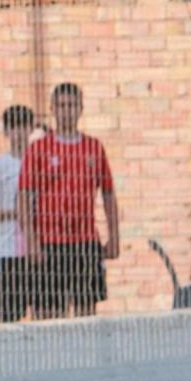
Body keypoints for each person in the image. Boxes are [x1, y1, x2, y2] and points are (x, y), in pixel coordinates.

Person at [19, 83, 120, 318]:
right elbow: (24, 197)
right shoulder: (38, 149)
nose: (67, 110)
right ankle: (52, 356)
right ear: (52, 109)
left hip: (84, 242)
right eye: (62, 105)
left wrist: (113, 237)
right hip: (49, 243)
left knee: (86, 310)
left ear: (81, 109)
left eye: (72, 105)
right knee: (49, 314)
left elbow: (107, 193)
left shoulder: (94, 148)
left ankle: (86, 355)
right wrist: (31, 242)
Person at [0, 105, 34, 323]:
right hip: (7, 250)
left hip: (38, 248)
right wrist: (16, 212)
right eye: (13, 127)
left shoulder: (38, 162)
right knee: (9, 315)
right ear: (6, 131)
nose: (19, 132)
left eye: (23, 126)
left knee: (44, 312)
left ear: (31, 128)